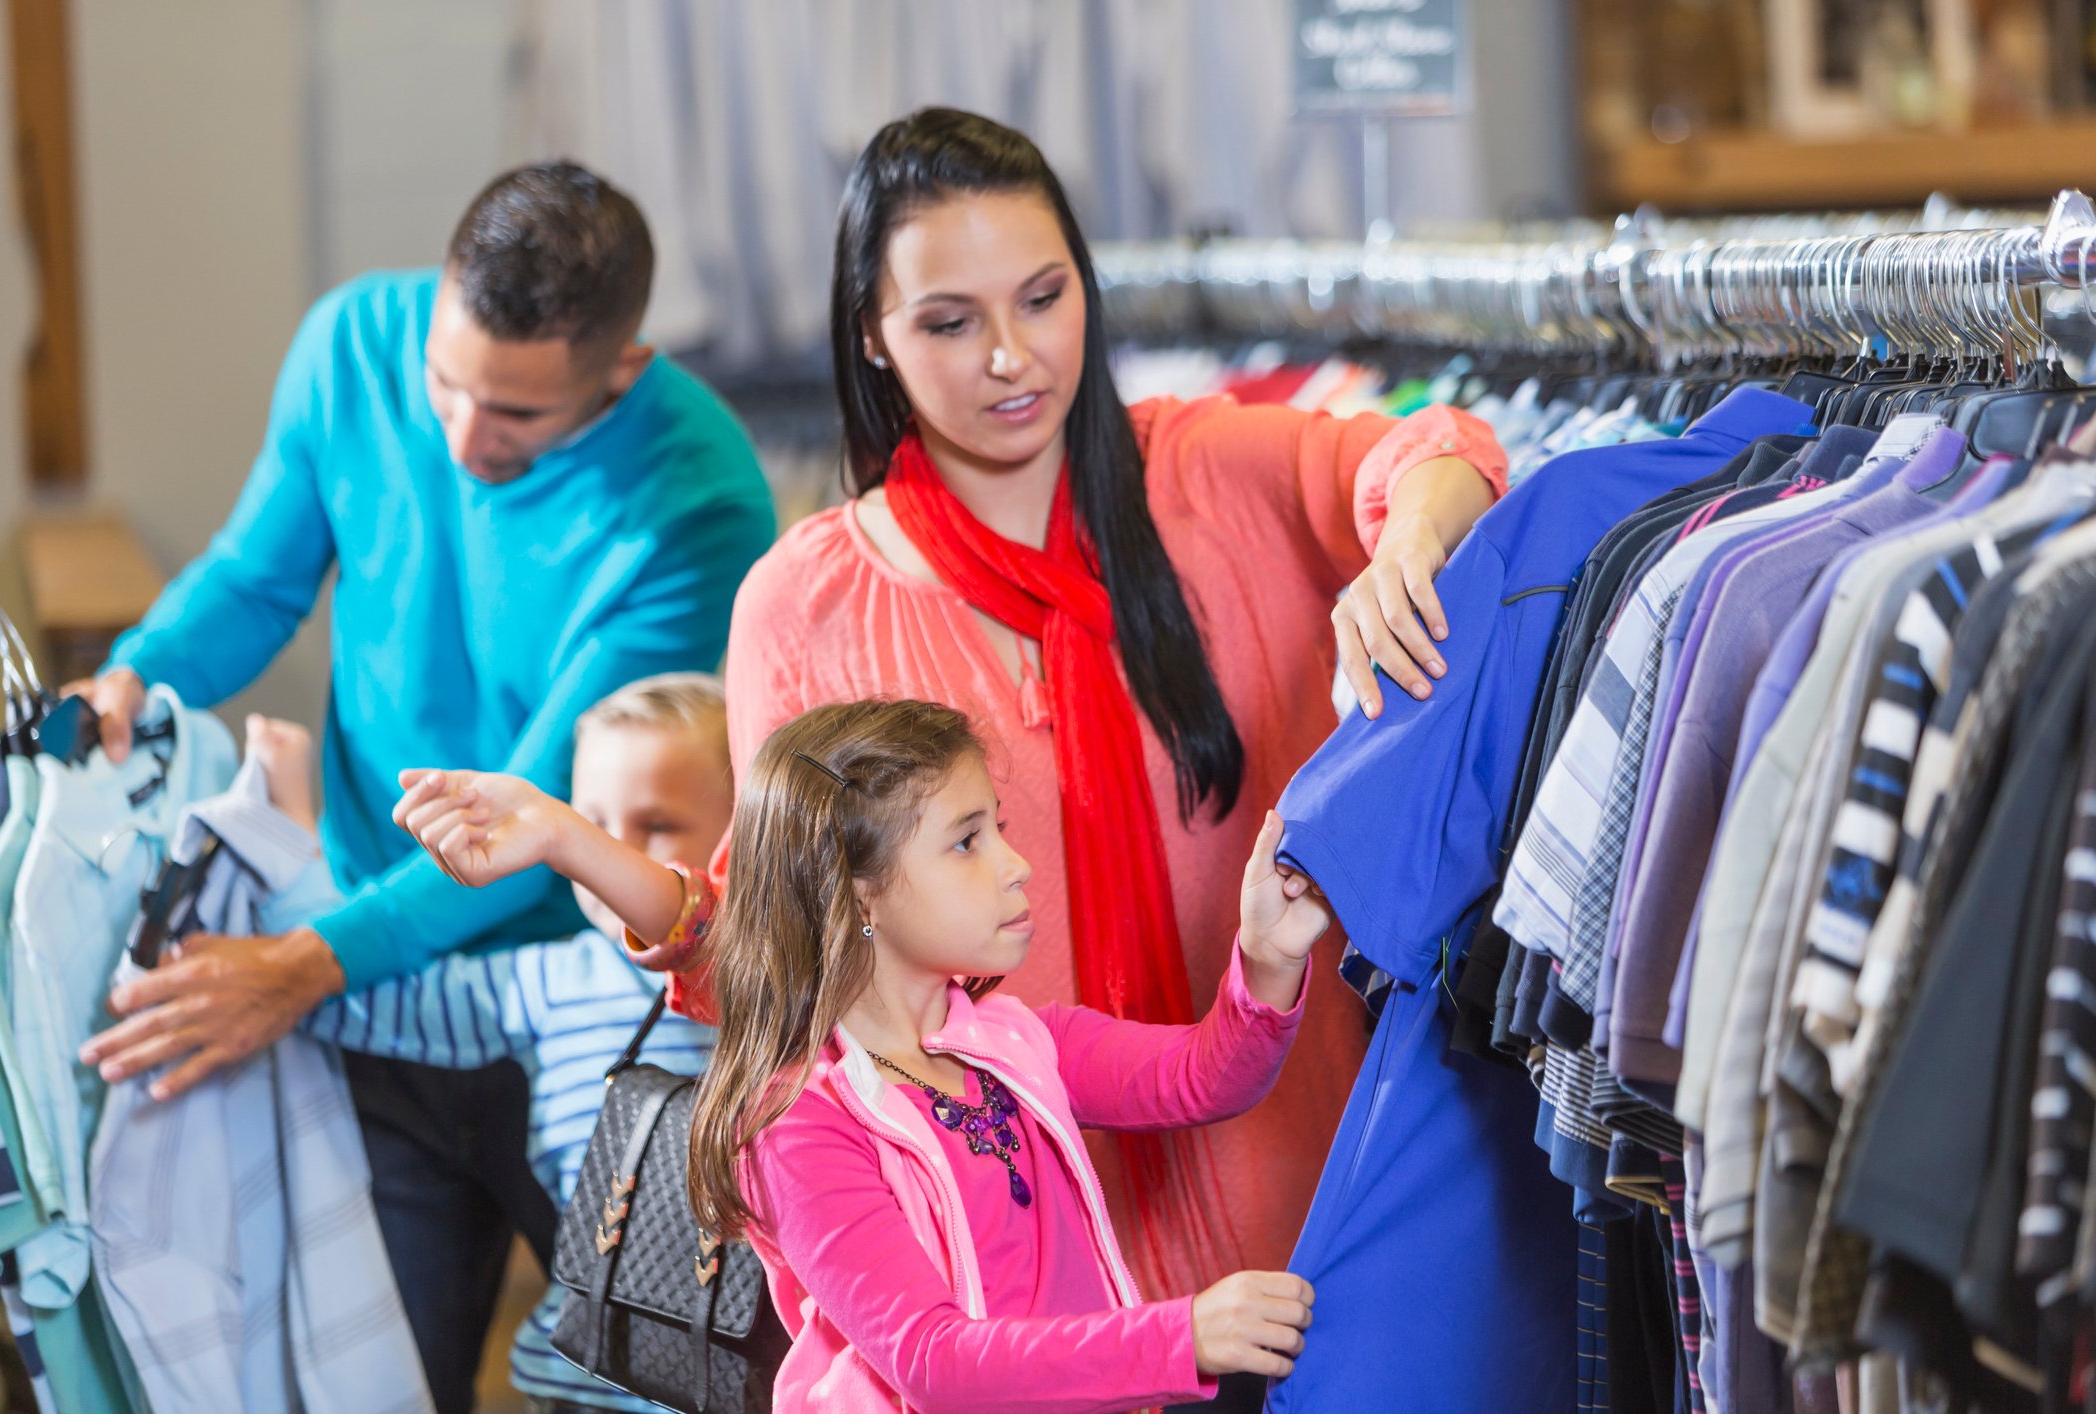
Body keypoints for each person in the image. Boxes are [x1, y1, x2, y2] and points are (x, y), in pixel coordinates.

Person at [715, 106, 1509, 1331]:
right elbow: (792, 954)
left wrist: (1409, 536)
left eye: (1043, 297)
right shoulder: (804, 606)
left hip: (1305, 1209)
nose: (1011, 358)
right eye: (948, 321)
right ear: (873, 337)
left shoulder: (1203, 470)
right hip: (1011, 1287)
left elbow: (1436, 446)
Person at [73, 164, 777, 1414]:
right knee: (370, 1375)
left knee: (642, 1383)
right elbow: (253, 577)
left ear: (621, 373)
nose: (458, 436)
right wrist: (140, 675)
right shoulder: (351, 341)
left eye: (511, 413)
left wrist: (299, 965)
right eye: (443, 383)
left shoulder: (697, 490)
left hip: (602, 1015)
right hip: (382, 981)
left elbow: (528, 815)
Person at [391, 696, 1331, 1414]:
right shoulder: (800, 1122)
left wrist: (1267, 958)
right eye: (967, 841)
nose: (1016, 863)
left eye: (995, 826)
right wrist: (1182, 1336)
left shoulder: (1021, 1046)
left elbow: (1211, 1075)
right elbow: (931, 1359)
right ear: (859, 895)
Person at [284, 673, 731, 1414]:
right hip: (582, 1382)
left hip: (750, 1373)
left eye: (653, 823)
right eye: (590, 822)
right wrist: (284, 877)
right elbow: (365, 1005)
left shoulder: (769, 979)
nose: (604, 853)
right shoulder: (546, 981)